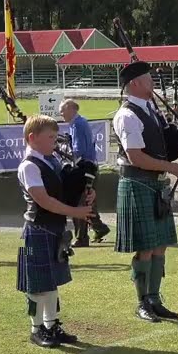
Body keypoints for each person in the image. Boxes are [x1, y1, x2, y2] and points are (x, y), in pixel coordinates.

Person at [112, 60, 178, 322]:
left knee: (160, 245)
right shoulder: (127, 115)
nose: (152, 82)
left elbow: (161, 146)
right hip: (137, 181)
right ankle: (143, 302)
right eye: (148, 78)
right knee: (145, 247)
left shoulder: (152, 112)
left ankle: (156, 299)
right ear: (134, 83)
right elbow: (135, 156)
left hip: (156, 184)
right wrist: (171, 166)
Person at [17, 115, 93, 347]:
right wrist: (75, 212)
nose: (55, 141)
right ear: (32, 138)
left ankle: (52, 325)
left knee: (50, 283)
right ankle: (36, 328)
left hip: (54, 230)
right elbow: (44, 201)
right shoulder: (29, 165)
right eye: (50, 137)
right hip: (36, 230)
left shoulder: (52, 161)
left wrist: (86, 192)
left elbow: (63, 190)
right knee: (36, 285)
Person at [60, 98, 112, 247]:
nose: (61, 113)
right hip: (90, 166)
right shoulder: (78, 123)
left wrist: (66, 154)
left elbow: (79, 150)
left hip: (84, 167)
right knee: (89, 200)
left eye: (62, 110)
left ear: (71, 109)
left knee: (80, 201)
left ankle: (82, 238)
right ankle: (99, 228)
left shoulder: (77, 124)